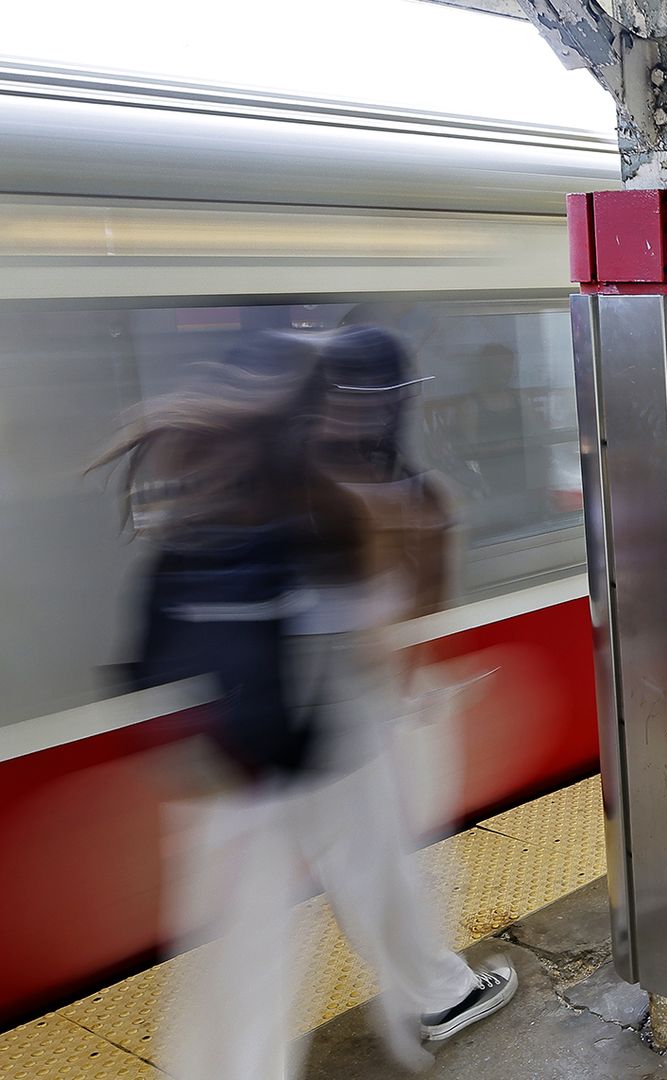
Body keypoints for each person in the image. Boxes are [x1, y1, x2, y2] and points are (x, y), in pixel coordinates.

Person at [99, 330, 512, 1080]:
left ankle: (236, 1066)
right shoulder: (361, 503)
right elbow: (384, 636)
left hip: (226, 746)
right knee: (376, 868)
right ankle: (439, 993)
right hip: (330, 730)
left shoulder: (216, 493)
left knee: (243, 940)